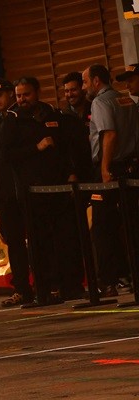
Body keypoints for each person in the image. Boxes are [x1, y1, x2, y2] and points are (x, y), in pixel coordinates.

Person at [5, 76, 85, 304]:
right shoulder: (12, 121)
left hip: (59, 189)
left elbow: (67, 147)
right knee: (40, 243)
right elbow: (6, 156)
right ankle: (45, 289)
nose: (22, 99)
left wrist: (71, 172)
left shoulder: (52, 115)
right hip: (32, 193)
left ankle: (71, 286)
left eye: (26, 94)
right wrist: (35, 148)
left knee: (67, 239)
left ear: (37, 92)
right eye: (18, 95)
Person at [82, 64, 139, 296]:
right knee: (131, 223)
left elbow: (109, 134)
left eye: (85, 82)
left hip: (111, 168)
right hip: (130, 166)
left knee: (102, 227)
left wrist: (104, 168)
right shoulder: (126, 101)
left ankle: (108, 281)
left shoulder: (100, 102)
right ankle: (130, 276)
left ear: (96, 81)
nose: (84, 86)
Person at [0, 78, 33, 307]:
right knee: (13, 242)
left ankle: (45, 285)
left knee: (35, 239)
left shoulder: (17, 117)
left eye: (1, 95)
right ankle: (22, 289)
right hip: (4, 192)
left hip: (20, 189)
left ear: (11, 94)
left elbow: (14, 153)